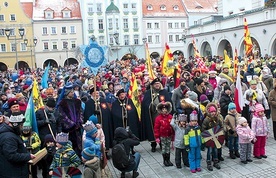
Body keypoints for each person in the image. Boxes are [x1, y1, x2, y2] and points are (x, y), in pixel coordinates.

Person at [0, 112, 36, 178]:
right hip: (12, 173)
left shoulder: (12, 134)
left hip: (15, 171)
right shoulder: (9, 137)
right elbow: (11, 156)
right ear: (16, 124)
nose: (22, 127)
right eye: (21, 125)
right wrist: (28, 156)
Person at [141, 78, 172, 152]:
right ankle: (153, 144)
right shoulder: (149, 92)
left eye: (158, 83)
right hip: (153, 116)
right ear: (152, 85)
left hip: (163, 115)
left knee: (162, 129)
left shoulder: (164, 92)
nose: (157, 85)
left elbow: (169, 102)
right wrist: (150, 105)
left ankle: (162, 144)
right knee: (154, 130)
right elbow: (145, 104)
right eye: (155, 84)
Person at [57, 84, 83, 157]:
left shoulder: (77, 102)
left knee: (78, 143)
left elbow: (80, 112)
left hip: (77, 127)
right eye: (71, 92)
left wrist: (79, 121)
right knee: (69, 144)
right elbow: (62, 115)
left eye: (73, 92)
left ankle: (78, 156)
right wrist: (71, 123)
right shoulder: (63, 103)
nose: (72, 93)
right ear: (67, 93)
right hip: (68, 129)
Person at [202, 103, 223, 171]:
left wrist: (220, 133)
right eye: (212, 112)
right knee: (210, 150)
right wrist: (208, 135)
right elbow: (203, 129)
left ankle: (215, 161)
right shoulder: (206, 120)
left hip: (216, 137)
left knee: (215, 150)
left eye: (214, 111)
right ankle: (209, 162)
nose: (213, 113)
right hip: (209, 138)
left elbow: (221, 126)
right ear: (209, 112)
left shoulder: (218, 119)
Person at [154, 102, 174, 167]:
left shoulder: (170, 117)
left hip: (169, 135)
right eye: (163, 109)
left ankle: (168, 160)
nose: (164, 111)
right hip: (162, 136)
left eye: (165, 109)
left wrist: (173, 135)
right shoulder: (158, 118)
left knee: (168, 147)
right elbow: (156, 128)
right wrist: (157, 137)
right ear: (161, 110)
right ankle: (164, 160)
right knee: (164, 148)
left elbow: (173, 126)